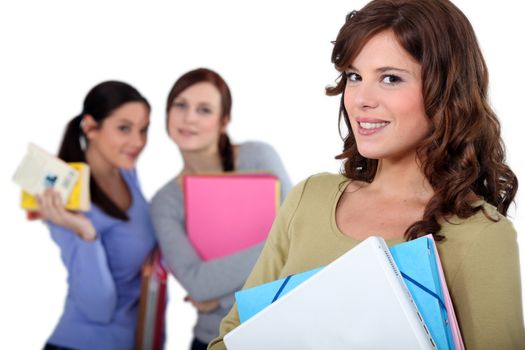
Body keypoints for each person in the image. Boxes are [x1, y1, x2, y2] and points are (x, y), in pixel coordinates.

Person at [209, 0, 525, 349]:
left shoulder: (479, 234)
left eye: (390, 78)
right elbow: (228, 341)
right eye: (354, 76)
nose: (360, 98)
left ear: (445, 92)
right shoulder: (309, 199)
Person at [149, 68, 292, 350]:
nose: (189, 117)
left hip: (277, 328)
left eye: (204, 109)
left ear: (223, 121)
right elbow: (198, 283)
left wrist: (222, 299)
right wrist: (272, 249)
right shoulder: (165, 201)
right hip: (213, 339)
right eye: (180, 105)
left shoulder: (258, 158)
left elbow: (295, 238)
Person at [37, 81, 157, 350]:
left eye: (143, 129)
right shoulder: (66, 198)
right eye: (124, 128)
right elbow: (98, 308)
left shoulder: (126, 173)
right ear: (90, 127)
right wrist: (85, 233)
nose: (138, 142)